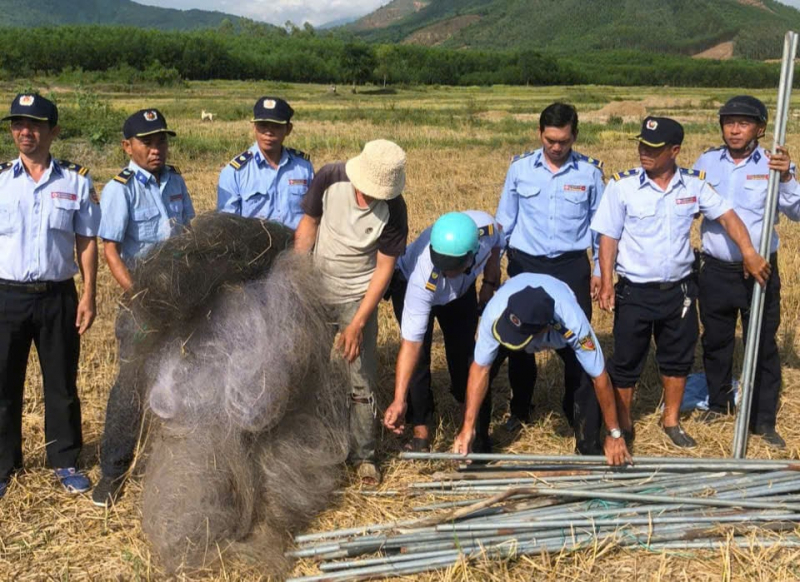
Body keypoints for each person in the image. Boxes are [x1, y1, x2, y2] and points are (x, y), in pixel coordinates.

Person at [592, 116, 770, 449]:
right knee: (628, 361)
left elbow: (728, 216)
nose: (644, 152)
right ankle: (625, 424)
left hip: (681, 291)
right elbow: (608, 237)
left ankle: (671, 420)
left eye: (654, 148)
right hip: (635, 290)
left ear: (675, 151)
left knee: (678, 359)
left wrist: (748, 252)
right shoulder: (622, 186)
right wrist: (605, 280)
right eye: (642, 145)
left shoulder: (694, 185)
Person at [92, 109, 195, 506]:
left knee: (180, 378)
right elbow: (111, 251)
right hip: (141, 305)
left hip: (179, 299)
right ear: (127, 146)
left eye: (161, 141)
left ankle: (175, 465)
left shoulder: (176, 180)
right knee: (132, 386)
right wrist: (139, 293)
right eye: (147, 142)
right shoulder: (120, 188)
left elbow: (188, 236)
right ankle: (113, 473)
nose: (156, 149)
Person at [0, 93, 100, 499]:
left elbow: (86, 239)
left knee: (61, 382)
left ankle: (65, 460)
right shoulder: (1, 181)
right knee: (3, 383)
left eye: (36, 125)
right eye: (19, 124)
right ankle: (4, 465)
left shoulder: (76, 179)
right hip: (7, 296)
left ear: (53, 131)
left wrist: (89, 294)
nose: (26, 132)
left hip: (58, 294)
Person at [295, 139, 408, 485]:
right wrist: (299, 280)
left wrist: (358, 322)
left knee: (360, 379)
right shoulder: (330, 177)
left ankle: (364, 455)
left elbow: (384, 269)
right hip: (317, 287)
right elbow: (309, 225)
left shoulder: (395, 209)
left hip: (359, 297)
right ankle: (308, 445)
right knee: (306, 368)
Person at [694, 96, 800, 448]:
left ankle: (763, 419)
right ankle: (719, 402)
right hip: (716, 269)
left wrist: (786, 177)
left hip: (761, 270)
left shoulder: (775, 163)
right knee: (716, 340)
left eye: (743, 123)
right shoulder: (707, 161)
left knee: (763, 344)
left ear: (760, 128)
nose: (734, 129)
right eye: (729, 122)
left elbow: (796, 210)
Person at [495, 102, 605, 430]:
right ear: (540, 134)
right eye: (550, 140)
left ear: (575, 137)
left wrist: (600, 269)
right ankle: (520, 409)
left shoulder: (590, 173)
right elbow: (505, 220)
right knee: (519, 342)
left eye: (564, 141)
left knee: (576, 341)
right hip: (526, 265)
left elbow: (600, 228)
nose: (556, 148)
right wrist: (492, 269)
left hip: (571, 267)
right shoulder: (520, 169)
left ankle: (574, 409)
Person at [452, 275, 631, 466]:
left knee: (584, 378)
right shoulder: (495, 313)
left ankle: (588, 451)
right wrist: (467, 427)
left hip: (558, 329)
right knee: (480, 372)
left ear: (544, 330)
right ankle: (477, 447)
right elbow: (480, 371)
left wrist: (614, 433)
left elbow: (599, 377)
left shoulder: (573, 323)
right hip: (514, 322)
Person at [383, 210, 502, 453]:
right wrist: (398, 399)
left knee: (465, 357)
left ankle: (474, 430)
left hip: (462, 292)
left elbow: (497, 245)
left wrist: (489, 282)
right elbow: (411, 345)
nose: (446, 272)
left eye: (452, 267)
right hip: (411, 286)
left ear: (471, 255)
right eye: (442, 265)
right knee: (420, 360)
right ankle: (420, 430)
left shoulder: (487, 231)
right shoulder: (423, 276)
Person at [217, 97, 313, 229]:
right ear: (254, 128)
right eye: (263, 125)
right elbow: (227, 226)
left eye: (276, 126)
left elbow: (314, 216)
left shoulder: (303, 168)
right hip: (254, 247)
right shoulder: (234, 172)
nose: (268, 132)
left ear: (288, 129)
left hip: (296, 246)